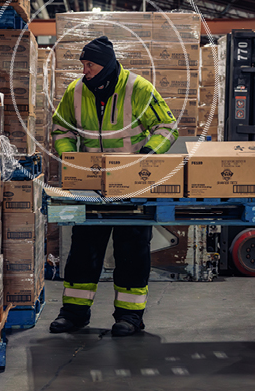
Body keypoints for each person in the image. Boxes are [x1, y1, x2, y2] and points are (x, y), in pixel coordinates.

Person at [50, 35, 179, 336]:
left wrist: (149, 155)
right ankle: (74, 313)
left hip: (131, 185)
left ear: (106, 64)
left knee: (132, 250)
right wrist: (69, 157)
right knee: (84, 250)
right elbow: (60, 127)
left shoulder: (138, 88)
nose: (85, 70)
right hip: (90, 185)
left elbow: (167, 125)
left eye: (90, 64)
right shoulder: (75, 91)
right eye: (83, 64)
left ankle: (130, 317)